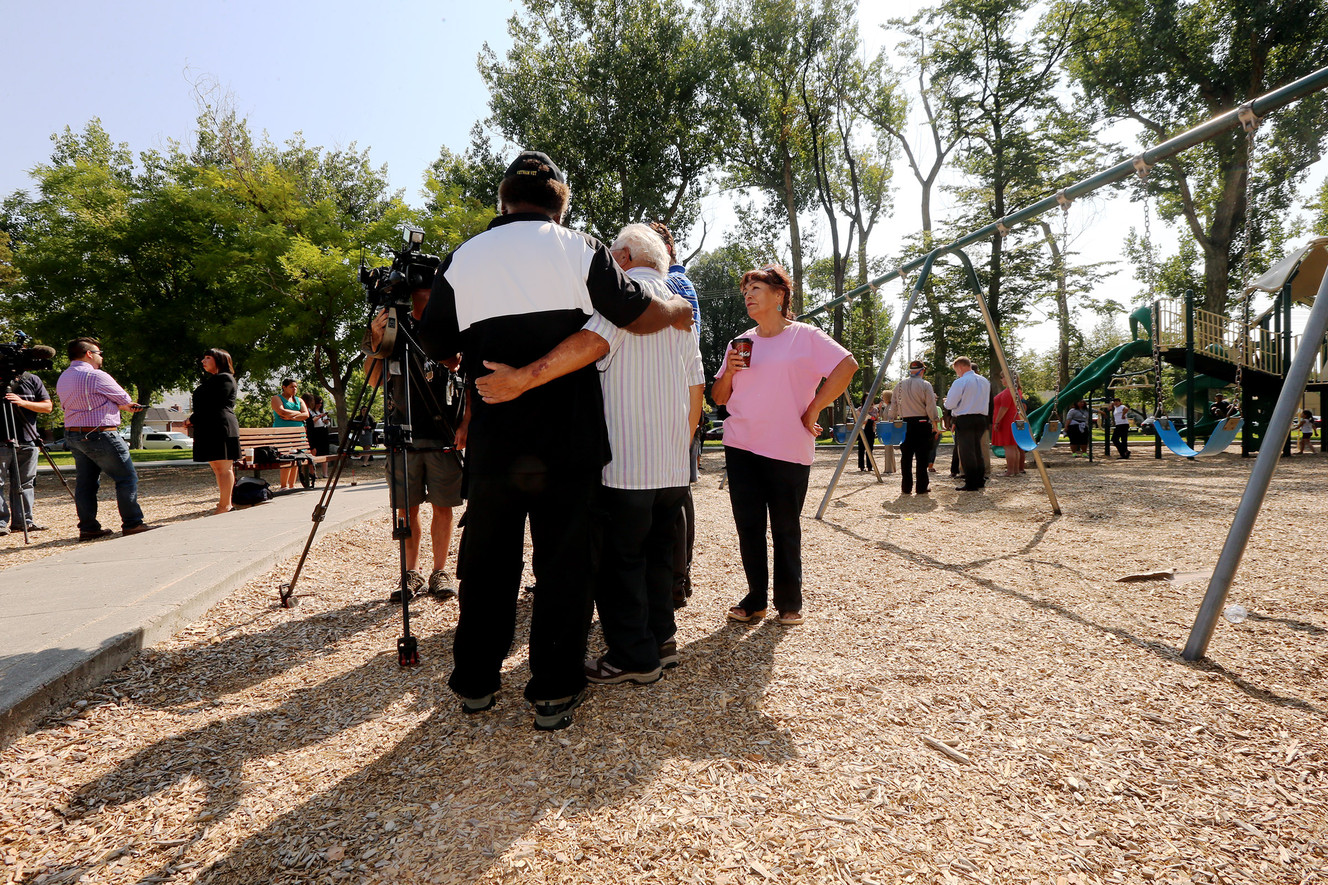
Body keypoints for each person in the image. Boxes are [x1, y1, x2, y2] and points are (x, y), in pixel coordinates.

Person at [417, 150, 693, 730]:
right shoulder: (580, 248)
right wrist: (674, 306)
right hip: (569, 440)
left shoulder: (464, 257)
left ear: (503, 199)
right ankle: (553, 688)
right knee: (564, 567)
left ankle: (475, 681)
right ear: (560, 202)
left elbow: (433, 338)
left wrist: (474, 369)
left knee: (488, 563)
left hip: (495, 437)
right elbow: (634, 313)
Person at [580, 223, 704, 684]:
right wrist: (682, 445)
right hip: (672, 464)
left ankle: (634, 656)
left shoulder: (620, 305)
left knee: (619, 562)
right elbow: (697, 388)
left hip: (627, 464)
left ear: (626, 258)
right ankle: (662, 638)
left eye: (612, 255)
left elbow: (586, 351)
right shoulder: (682, 314)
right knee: (658, 555)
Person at [712, 263, 857, 626]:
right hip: (741, 445)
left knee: (785, 526)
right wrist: (729, 372)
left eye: (756, 289)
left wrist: (814, 408)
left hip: (787, 446)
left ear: (779, 296)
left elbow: (847, 365)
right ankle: (755, 599)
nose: (747, 295)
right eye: (745, 291)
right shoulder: (740, 342)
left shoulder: (805, 336)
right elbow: (720, 398)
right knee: (749, 526)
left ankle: (789, 601)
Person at [366, 286, 464, 604]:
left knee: (442, 506)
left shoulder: (451, 322)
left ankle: (439, 572)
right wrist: (375, 341)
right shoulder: (397, 326)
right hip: (402, 432)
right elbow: (374, 380)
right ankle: (410, 573)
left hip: (443, 432)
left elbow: (463, 368)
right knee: (406, 511)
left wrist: (465, 425)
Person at [649, 221, 702, 610]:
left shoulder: (674, 284)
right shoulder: (677, 282)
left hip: (672, 400)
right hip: (678, 398)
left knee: (674, 495)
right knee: (675, 493)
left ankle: (675, 578)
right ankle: (676, 576)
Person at [54, 338, 156, 540]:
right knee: (126, 478)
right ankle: (133, 523)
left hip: (73, 433)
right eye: (99, 353)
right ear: (89, 354)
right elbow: (124, 399)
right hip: (100, 432)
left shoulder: (64, 377)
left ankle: (88, 527)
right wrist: (125, 405)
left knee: (86, 483)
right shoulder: (95, 375)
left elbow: (86, 402)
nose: (101, 357)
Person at [183, 349, 240, 514]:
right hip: (208, 427)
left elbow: (214, 404)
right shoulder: (214, 380)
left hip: (221, 427)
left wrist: (191, 419)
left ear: (219, 360)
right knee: (216, 467)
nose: (203, 361)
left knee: (223, 467)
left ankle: (225, 505)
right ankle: (223, 504)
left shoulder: (225, 379)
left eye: (208, 358)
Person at [1, 369, 53, 535]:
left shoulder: (32, 379)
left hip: (28, 440)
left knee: (26, 483)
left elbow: (47, 407)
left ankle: (23, 521)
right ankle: (1, 523)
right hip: (1, 441)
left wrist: (22, 402)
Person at [944, 356, 990, 491]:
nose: (957, 373)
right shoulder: (984, 381)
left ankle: (971, 482)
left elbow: (951, 404)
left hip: (965, 418)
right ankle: (980, 480)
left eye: (956, 370)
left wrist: (946, 402)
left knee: (966, 451)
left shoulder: (960, 382)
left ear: (960, 367)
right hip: (981, 418)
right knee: (977, 449)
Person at [892, 360, 937, 495]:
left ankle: (906, 487)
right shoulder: (925, 385)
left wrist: (891, 420)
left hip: (905, 424)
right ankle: (921, 487)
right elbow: (930, 405)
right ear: (922, 371)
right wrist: (935, 423)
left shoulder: (899, 385)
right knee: (922, 457)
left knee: (906, 457)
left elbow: (893, 405)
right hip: (922, 423)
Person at [270, 379, 309, 490]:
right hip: (283, 432)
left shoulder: (299, 400)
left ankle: (292, 485)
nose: (294, 389)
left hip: (298, 432)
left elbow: (306, 415)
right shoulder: (276, 398)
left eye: (296, 387)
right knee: (285, 457)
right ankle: (284, 485)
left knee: (297, 457)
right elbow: (281, 411)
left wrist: (291, 416)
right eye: (291, 387)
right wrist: (298, 414)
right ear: (284, 387)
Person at [991, 371, 1025, 476]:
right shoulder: (1017, 390)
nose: (1001, 380)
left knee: (1009, 446)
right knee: (1014, 446)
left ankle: (1010, 471)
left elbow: (1004, 407)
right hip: (1015, 419)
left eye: (1003, 377)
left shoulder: (1008, 391)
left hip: (1007, 420)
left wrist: (997, 421)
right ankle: (1015, 470)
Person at [303, 393, 332, 478]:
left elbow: (327, 422)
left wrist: (327, 422)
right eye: (318, 403)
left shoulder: (322, 410)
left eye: (321, 403)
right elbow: (311, 422)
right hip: (314, 432)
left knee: (325, 452)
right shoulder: (310, 411)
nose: (320, 405)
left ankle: (325, 473)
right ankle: (312, 472)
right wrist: (320, 416)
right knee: (314, 451)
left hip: (323, 431)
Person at [855, 396, 878, 472]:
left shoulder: (875, 409)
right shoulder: (859, 409)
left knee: (870, 448)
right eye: (866, 398)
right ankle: (861, 466)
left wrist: (872, 420)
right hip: (862, 430)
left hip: (871, 430)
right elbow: (858, 420)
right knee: (861, 448)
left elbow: (876, 419)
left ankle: (870, 466)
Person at [876, 391, 897, 474]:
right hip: (886, 427)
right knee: (888, 448)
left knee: (888, 447)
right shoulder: (887, 406)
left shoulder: (891, 407)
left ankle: (889, 468)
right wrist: (880, 409)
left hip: (889, 428)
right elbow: (882, 416)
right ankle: (891, 467)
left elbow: (892, 417)